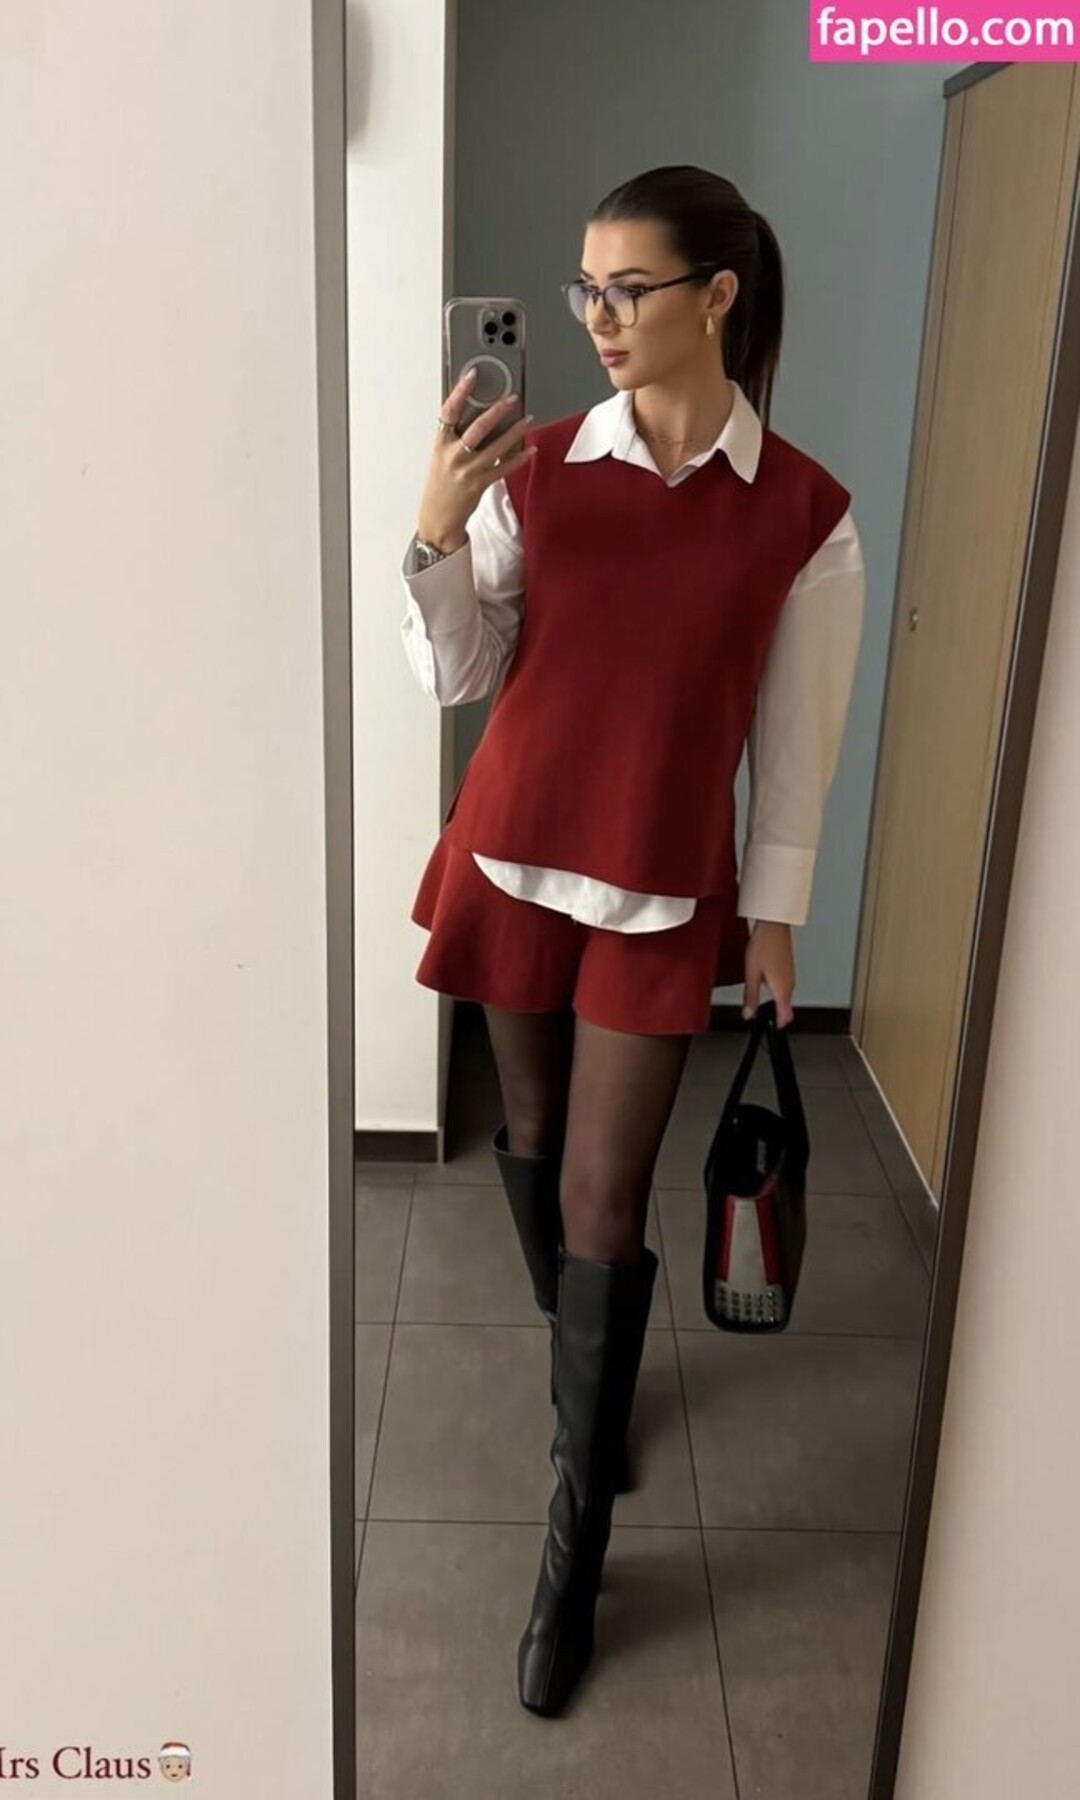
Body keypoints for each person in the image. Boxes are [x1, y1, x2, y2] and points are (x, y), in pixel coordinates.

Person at [398, 165, 865, 1717]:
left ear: (717, 296)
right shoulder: (533, 466)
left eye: (628, 290)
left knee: (607, 1195)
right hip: (514, 852)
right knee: (534, 1146)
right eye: (584, 289)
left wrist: (776, 918)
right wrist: (435, 533)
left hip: (666, 889)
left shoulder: (803, 514)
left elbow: (795, 745)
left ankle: (572, 1546)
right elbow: (460, 678)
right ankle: (586, 1401)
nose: (598, 318)